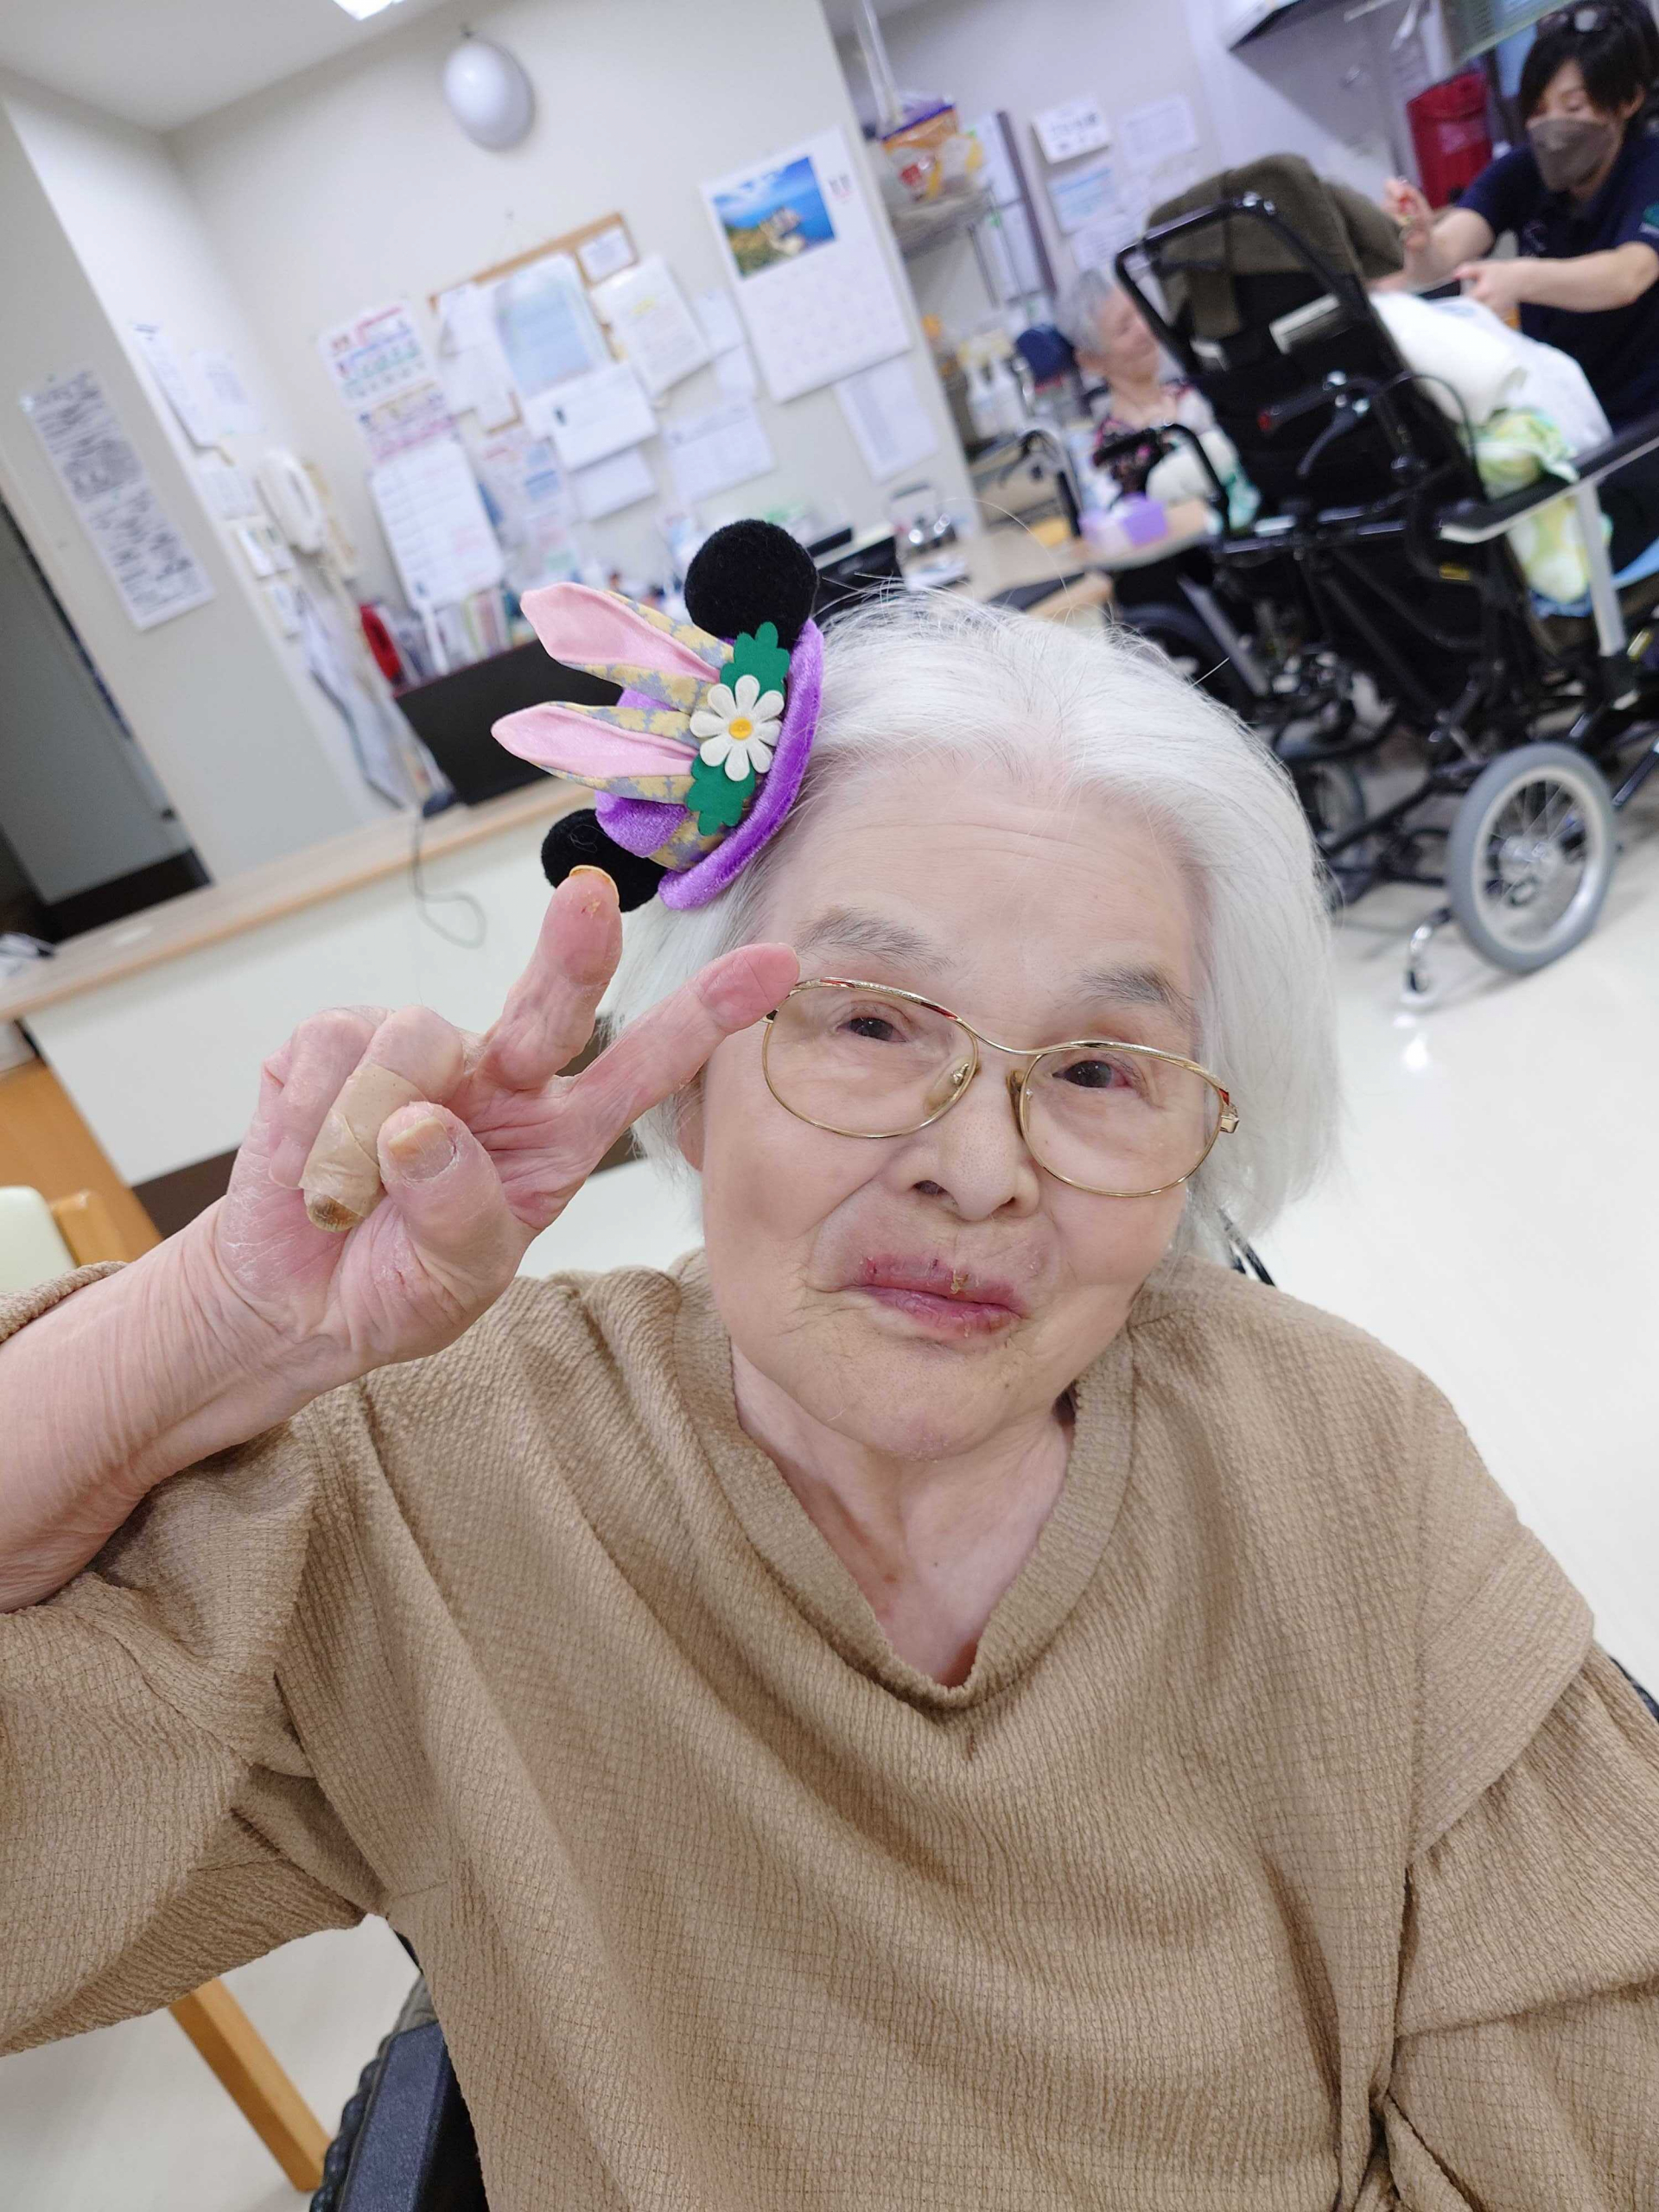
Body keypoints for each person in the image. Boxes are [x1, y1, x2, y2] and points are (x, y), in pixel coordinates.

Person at [3, 543, 1658, 2206]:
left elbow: (1584, 2103)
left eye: (1100, 1069)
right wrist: (211, 1325)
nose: (980, 1169)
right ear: (686, 1074)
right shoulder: (436, 1487)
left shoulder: (1346, 1458)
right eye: (869, 1022)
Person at [1382, 1, 1659, 562]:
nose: (1550, 126)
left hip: (1641, 431)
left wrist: (1522, 277)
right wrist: (1423, 241)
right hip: (1563, 428)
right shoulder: (1520, 171)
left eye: (1573, 107)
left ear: (1627, 100)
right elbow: (1445, 257)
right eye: (1537, 109)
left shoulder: (1650, 169)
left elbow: (1629, 274)